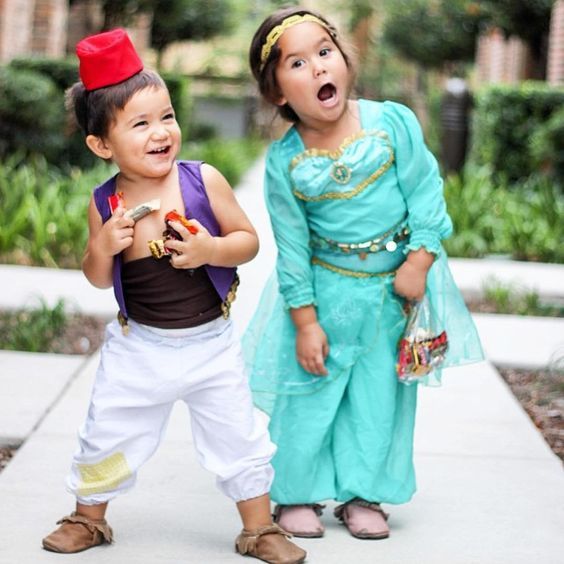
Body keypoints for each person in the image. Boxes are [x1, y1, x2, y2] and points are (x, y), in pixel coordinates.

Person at [41, 28, 306, 564]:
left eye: (166, 116)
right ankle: (88, 518)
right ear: (101, 144)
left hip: (210, 345)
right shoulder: (106, 202)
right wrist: (105, 244)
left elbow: (248, 242)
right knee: (107, 431)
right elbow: (96, 276)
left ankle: (259, 528)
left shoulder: (201, 181)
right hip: (139, 348)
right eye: (140, 124)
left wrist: (209, 249)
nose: (161, 132)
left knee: (239, 434)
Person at [243, 6, 483, 540]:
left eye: (325, 53)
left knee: (378, 398)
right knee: (311, 391)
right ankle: (296, 493)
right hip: (326, 293)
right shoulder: (286, 161)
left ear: (345, 61)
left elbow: (426, 192)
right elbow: (292, 246)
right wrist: (306, 321)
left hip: (392, 296)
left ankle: (363, 492)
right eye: (298, 63)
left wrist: (419, 259)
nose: (319, 68)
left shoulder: (391, 121)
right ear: (278, 92)